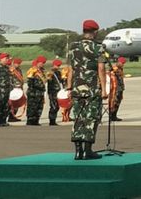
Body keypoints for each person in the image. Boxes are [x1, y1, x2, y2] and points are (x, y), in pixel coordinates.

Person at [68, 19, 108, 160]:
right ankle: (88, 151)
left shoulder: (73, 47)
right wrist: (104, 90)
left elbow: (71, 68)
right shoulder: (98, 47)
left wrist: (69, 86)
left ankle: (78, 152)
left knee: (78, 118)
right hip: (91, 89)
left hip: (77, 88)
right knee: (91, 118)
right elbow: (101, 69)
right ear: (95, 32)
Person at [26, 56, 47, 126]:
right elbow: (30, 82)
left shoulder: (42, 71)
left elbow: (44, 80)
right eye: (41, 63)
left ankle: (36, 120)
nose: (42, 64)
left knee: (39, 107)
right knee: (32, 107)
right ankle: (30, 120)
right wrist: (33, 89)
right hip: (33, 92)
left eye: (43, 63)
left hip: (40, 92)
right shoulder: (32, 70)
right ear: (38, 62)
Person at [47, 59, 64, 126]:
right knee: (53, 106)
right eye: (57, 65)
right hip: (52, 92)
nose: (58, 67)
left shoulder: (58, 72)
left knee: (57, 106)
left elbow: (61, 81)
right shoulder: (50, 73)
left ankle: (53, 119)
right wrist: (50, 93)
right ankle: (51, 120)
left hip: (58, 91)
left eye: (58, 65)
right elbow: (49, 83)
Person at [109, 57, 126, 122]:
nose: (123, 64)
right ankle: (112, 115)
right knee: (114, 101)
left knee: (118, 101)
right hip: (115, 87)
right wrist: (113, 70)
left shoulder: (120, 68)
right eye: (122, 63)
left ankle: (114, 115)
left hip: (120, 87)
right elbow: (110, 73)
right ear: (118, 62)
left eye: (123, 63)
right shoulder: (114, 68)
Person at [8, 57, 24, 122]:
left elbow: (21, 79)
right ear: (14, 63)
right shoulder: (11, 70)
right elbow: (9, 80)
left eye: (19, 64)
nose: (18, 65)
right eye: (17, 63)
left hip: (19, 88)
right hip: (13, 88)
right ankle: (9, 117)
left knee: (16, 104)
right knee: (11, 104)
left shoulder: (19, 70)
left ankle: (13, 117)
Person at [0, 53, 11, 127]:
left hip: (6, 91)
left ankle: (3, 121)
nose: (7, 60)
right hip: (0, 91)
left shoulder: (6, 68)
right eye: (6, 58)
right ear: (1, 59)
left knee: (5, 106)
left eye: (7, 58)